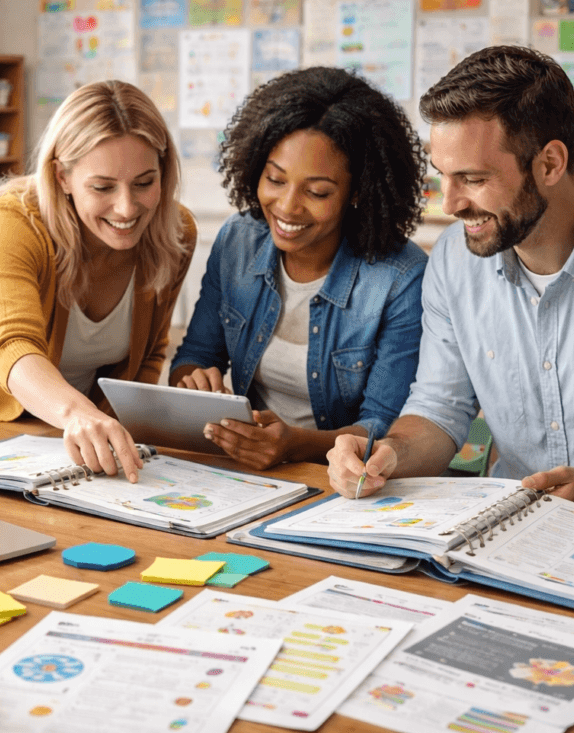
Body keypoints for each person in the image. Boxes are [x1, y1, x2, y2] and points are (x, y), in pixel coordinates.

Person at [325, 47, 574, 733]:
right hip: (509, 564)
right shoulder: (454, 265)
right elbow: (437, 411)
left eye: (473, 179)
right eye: (443, 176)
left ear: (550, 163)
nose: (449, 202)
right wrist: (388, 455)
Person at [0, 80, 196, 483]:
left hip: (70, 442)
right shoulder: (14, 220)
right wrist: (80, 415)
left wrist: (113, 428)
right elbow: (14, 345)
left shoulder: (176, 232)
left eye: (144, 182)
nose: (127, 207)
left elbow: (149, 355)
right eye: (102, 187)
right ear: (62, 176)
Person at [168, 67, 427, 470]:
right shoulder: (238, 241)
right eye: (275, 179)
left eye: (317, 192)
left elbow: (385, 424)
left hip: (347, 481)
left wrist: (297, 445)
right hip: (248, 471)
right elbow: (196, 354)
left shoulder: (399, 277)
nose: (287, 206)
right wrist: (195, 384)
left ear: (358, 191)